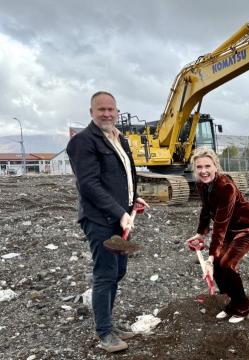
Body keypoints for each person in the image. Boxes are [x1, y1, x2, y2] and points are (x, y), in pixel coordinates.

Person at [67, 91, 149, 353]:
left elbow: (125, 175)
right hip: (99, 219)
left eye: (111, 110)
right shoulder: (83, 142)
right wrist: (118, 212)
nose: (107, 114)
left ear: (117, 111)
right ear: (91, 112)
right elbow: (89, 185)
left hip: (119, 218)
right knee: (105, 274)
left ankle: (110, 325)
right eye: (101, 109)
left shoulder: (119, 139)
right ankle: (104, 333)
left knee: (118, 272)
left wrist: (134, 199)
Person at [187, 147, 249, 323]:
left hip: (248, 227)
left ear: (216, 166)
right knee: (218, 267)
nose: (204, 171)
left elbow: (220, 225)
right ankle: (232, 303)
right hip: (231, 229)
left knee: (226, 263)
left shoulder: (226, 187)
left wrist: (209, 258)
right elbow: (206, 211)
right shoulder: (202, 185)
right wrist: (200, 233)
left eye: (208, 166)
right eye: (199, 167)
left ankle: (243, 307)